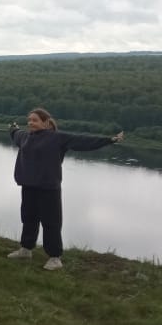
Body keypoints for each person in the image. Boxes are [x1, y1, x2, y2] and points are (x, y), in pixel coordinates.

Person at [7, 108, 124, 271]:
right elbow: (15, 133)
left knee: (51, 222)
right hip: (29, 187)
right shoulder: (25, 137)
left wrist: (109, 140)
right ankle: (26, 249)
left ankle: (55, 258)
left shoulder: (57, 139)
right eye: (29, 120)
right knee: (28, 218)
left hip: (49, 189)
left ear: (46, 122)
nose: (31, 123)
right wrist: (12, 127)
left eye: (35, 120)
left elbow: (83, 141)